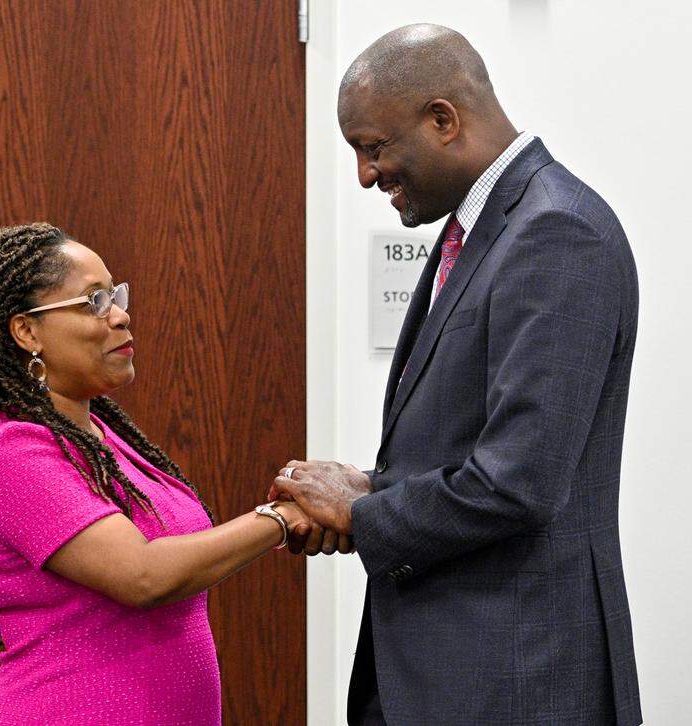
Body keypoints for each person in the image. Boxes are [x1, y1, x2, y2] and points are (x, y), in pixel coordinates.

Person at [271, 24, 643, 725]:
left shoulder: (559, 232)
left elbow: (518, 483)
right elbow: (469, 446)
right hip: (451, 675)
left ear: (443, 119)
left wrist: (360, 513)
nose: (364, 175)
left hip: (516, 680)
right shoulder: (476, 229)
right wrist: (375, 487)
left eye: (372, 147)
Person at [0, 222, 312, 725]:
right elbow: (143, 576)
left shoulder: (101, 436)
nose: (122, 316)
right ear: (28, 331)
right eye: (93, 301)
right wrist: (281, 517)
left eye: (115, 295)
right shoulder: (12, 451)